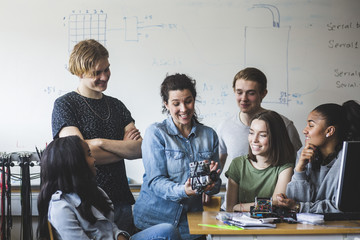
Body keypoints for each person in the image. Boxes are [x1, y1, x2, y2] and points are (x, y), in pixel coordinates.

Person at [51, 39, 142, 233]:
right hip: (85, 204)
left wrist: (99, 143)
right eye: (97, 73)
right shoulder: (65, 105)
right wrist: (122, 148)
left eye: (107, 69)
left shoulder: (117, 105)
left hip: (120, 200)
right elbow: (77, 154)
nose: (104, 76)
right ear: (80, 72)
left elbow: (138, 149)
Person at [37, 136, 181, 240]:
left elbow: (110, 228)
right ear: (74, 163)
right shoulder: (60, 207)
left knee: (167, 230)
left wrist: (120, 235)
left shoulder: (95, 191)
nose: (94, 160)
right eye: (89, 155)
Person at [133, 74, 222, 240]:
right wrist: (184, 191)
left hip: (191, 226)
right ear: (166, 104)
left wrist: (212, 183)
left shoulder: (210, 135)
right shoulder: (156, 133)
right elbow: (156, 181)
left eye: (188, 101)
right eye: (176, 103)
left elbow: (216, 183)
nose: (183, 108)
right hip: (154, 222)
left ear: (194, 100)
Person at [217, 67, 302, 210]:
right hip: (233, 213)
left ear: (263, 94)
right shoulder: (224, 127)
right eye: (239, 92)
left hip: (271, 214)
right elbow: (217, 166)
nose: (243, 99)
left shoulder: (283, 126)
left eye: (250, 93)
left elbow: (298, 167)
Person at [277, 100, 360, 213]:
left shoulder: (350, 159)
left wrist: (299, 207)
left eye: (311, 125)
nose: (304, 130)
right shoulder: (304, 153)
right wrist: (300, 169)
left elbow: (341, 207)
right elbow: (295, 202)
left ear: (329, 131)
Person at [226, 110, 295, 212]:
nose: (254, 140)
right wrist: (270, 203)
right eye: (251, 133)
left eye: (262, 135)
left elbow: (277, 204)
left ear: (276, 138)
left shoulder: (285, 167)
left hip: (273, 226)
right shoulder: (238, 164)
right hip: (240, 226)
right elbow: (230, 209)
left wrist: (240, 207)